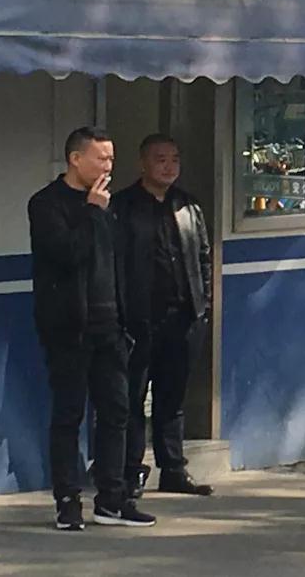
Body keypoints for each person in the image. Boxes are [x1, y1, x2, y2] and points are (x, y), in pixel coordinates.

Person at [28, 126, 156, 530]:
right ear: (75, 159)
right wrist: (91, 211)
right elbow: (67, 254)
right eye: (101, 158)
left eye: (112, 158)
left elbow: (119, 262)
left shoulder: (110, 206)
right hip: (69, 329)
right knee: (69, 415)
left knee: (117, 413)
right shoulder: (47, 204)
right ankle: (67, 500)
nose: (108, 166)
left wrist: (128, 318)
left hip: (111, 327)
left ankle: (112, 499)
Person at [113, 134, 213, 498]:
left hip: (182, 317)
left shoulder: (188, 206)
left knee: (172, 398)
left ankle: (173, 469)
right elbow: (113, 263)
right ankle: (130, 472)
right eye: (160, 159)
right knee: (133, 399)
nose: (169, 166)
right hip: (138, 320)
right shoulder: (122, 206)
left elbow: (203, 257)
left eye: (174, 159)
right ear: (143, 163)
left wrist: (203, 305)